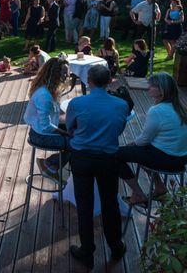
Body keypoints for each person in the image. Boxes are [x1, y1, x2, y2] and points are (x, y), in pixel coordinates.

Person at [65, 64, 129, 269]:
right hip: (108, 159)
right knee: (110, 203)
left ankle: (87, 252)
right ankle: (116, 247)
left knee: (85, 205)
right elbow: (118, 129)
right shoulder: (121, 105)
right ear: (110, 80)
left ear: (88, 82)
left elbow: (70, 128)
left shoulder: (77, 103)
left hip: (82, 157)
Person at [116, 73, 187, 205]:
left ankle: (138, 195)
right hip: (181, 158)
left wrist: (130, 144)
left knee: (113, 155)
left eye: (152, 85)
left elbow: (144, 140)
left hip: (166, 159)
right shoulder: (180, 107)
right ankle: (159, 187)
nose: (148, 87)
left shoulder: (157, 110)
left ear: (162, 90)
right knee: (140, 151)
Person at [23, 57, 71, 181]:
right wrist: (65, 132)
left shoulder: (51, 88)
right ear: (54, 74)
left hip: (42, 129)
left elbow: (56, 112)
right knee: (78, 143)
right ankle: (50, 165)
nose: (67, 75)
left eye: (67, 72)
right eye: (64, 72)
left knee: (78, 130)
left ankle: (57, 165)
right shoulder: (44, 95)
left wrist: (70, 120)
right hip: (40, 135)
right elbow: (46, 126)